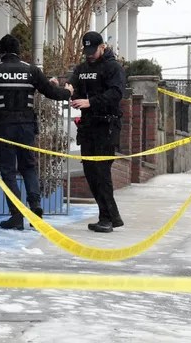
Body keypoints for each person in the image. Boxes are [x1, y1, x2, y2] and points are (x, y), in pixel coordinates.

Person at [0, 34, 73, 230]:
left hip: (3, 128)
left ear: (1, 53)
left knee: (8, 171)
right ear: (18, 52)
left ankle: (16, 214)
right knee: (28, 167)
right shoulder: (31, 71)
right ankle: (35, 206)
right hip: (26, 128)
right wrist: (67, 92)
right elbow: (51, 92)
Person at [68, 31, 126, 233]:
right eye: (87, 51)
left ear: (103, 47)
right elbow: (72, 85)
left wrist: (90, 102)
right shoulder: (82, 68)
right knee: (91, 173)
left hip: (106, 125)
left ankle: (109, 218)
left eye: (93, 50)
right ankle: (108, 216)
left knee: (102, 172)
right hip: (88, 126)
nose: (90, 55)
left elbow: (116, 93)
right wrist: (64, 88)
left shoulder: (113, 68)